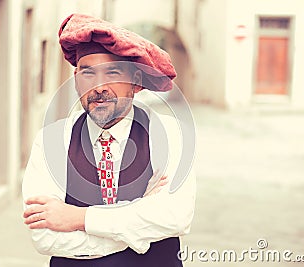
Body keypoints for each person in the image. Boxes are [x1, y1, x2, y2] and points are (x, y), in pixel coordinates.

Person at [22, 13, 196, 267]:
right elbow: (45, 238)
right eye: (88, 73)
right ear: (76, 80)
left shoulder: (169, 133)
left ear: (136, 82)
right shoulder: (52, 140)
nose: (99, 86)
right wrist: (138, 226)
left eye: (112, 72)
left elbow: (175, 217)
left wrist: (79, 218)